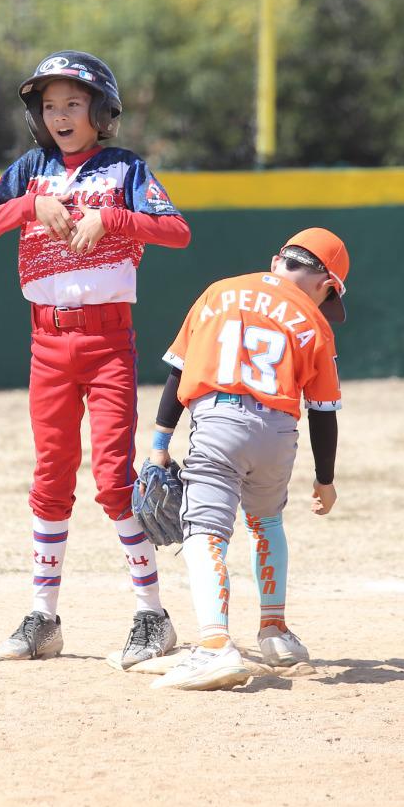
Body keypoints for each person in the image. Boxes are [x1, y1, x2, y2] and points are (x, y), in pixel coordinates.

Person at [0, 50, 189, 667]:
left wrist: (113, 219)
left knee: (114, 477)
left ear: (101, 110)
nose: (59, 114)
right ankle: (43, 616)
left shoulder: (125, 169)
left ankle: (152, 616)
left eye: (73, 103)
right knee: (51, 476)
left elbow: (177, 231)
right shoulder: (30, 170)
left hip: (109, 341)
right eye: (49, 105)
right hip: (46, 343)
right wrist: (28, 207)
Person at [144, 228, 350, 692]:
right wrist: (325, 479)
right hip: (278, 431)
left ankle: (215, 648)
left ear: (279, 260)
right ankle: (274, 632)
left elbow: (178, 371)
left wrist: (160, 442)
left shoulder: (219, 292)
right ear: (325, 283)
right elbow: (323, 411)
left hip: (219, 422)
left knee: (205, 536)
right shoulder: (313, 322)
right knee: (267, 522)